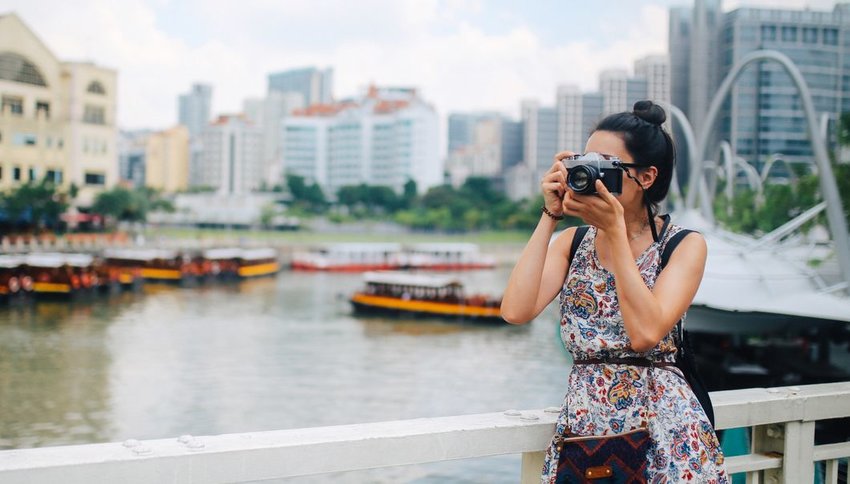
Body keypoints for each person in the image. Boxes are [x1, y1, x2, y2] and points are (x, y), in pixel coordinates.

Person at [500, 100, 729, 483]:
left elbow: (645, 334)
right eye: (584, 160)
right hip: (587, 428)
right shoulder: (571, 242)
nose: (592, 173)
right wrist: (550, 213)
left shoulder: (683, 245)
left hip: (665, 433)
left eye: (606, 164)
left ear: (646, 176)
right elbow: (515, 311)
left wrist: (616, 234)